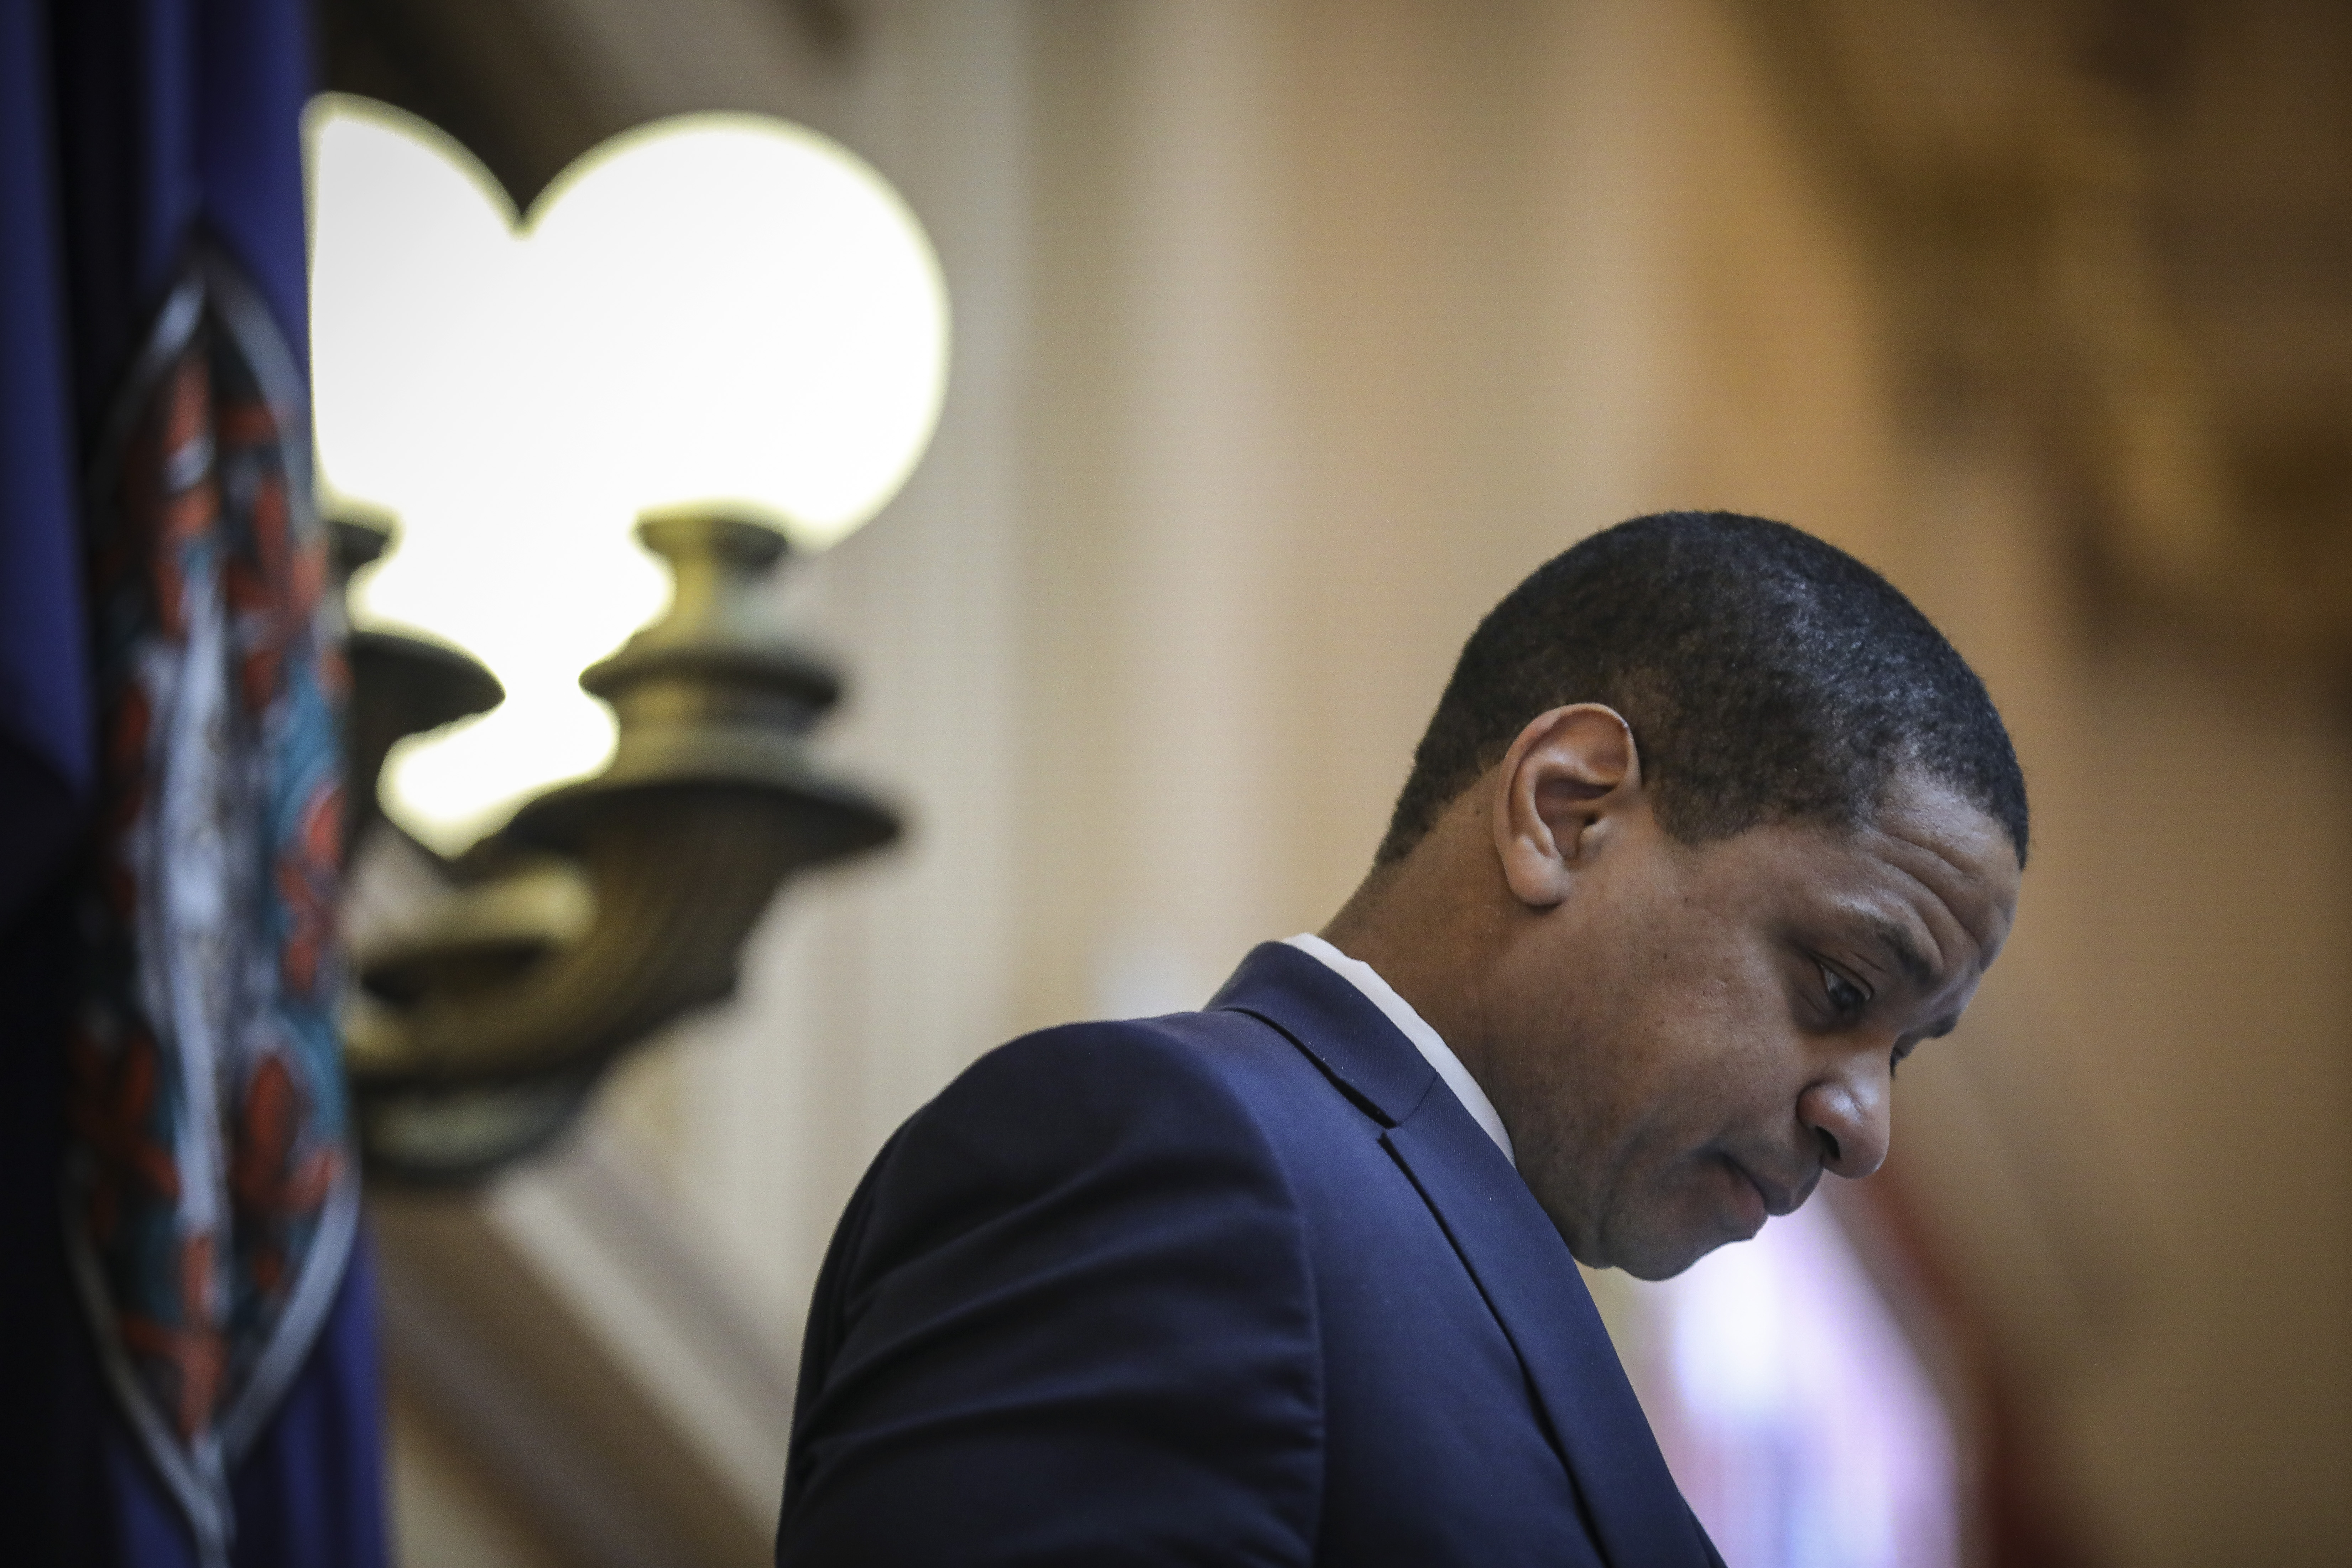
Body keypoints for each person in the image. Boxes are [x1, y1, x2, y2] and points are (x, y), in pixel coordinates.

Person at [773, 511, 2027, 1566]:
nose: (1864, 1127)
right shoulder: (1184, 1166)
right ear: (1567, 812)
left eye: (1904, 1049)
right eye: (1840, 984)